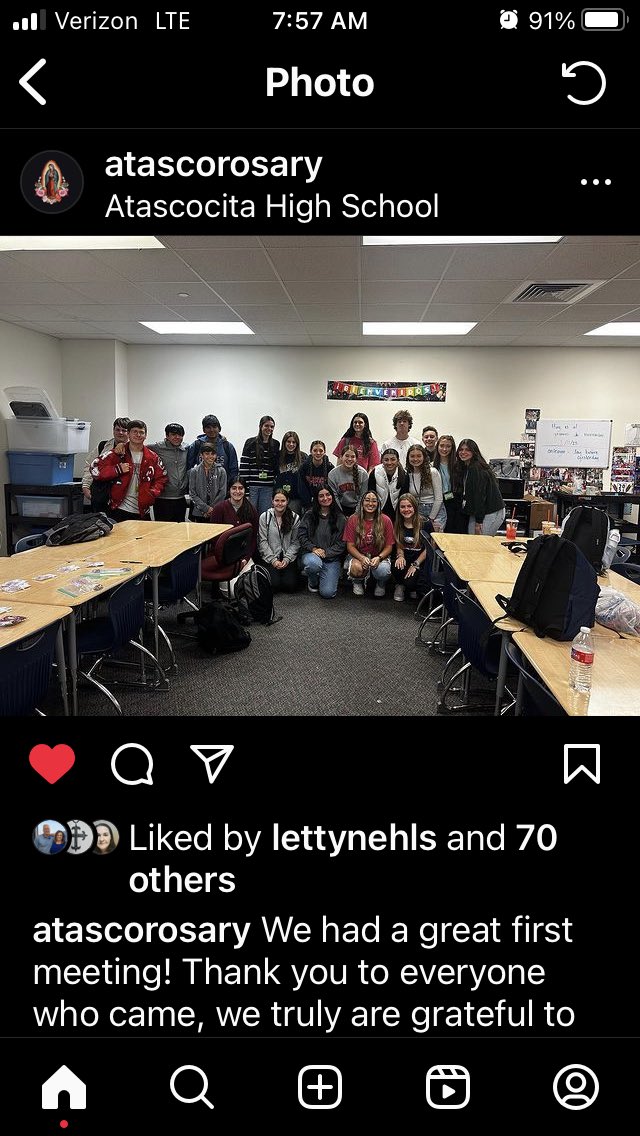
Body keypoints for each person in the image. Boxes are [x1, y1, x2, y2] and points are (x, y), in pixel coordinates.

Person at [91, 419, 167, 521]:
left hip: (142, 511)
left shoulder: (153, 457)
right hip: (118, 509)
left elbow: (162, 478)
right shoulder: (116, 453)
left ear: (145, 435)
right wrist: (116, 469)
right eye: (134, 431)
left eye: (141, 432)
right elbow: (94, 468)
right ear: (128, 434)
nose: (138, 435)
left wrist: (152, 493)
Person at [298, 487, 346, 598]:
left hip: (331, 558)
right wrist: (313, 548)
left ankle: (323, 573)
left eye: (328, 494)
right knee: (313, 564)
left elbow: (342, 543)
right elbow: (301, 536)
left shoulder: (341, 518)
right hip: (312, 554)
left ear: (332, 496)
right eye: (321, 496)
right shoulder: (309, 515)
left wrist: (325, 552)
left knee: (328, 593)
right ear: (316, 499)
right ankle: (313, 580)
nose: (325, 498)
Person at [343, 490, 394, 597]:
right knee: (356, 568)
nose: (370, 504)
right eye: (367, 500)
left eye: (374, 501)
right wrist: (361, 558)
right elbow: (350, 546)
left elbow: (389, 546)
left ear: (378, 504)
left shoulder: (386, 520)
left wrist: (379, 558)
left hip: (379, 556)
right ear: (362, 503)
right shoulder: (353, 519)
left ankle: (380, 583)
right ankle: (357, 581)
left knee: (383, 571)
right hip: (359, 556)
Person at [456, 438, 506, 535]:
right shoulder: (467, 467)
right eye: (461, 449)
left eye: (467, 450)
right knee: (472, 538)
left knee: (480, 541)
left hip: (490, 511)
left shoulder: (476, 468)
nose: (463, 452)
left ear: (474, 452)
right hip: (478, 511)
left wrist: (479, 522)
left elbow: (479, 496)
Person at [391, 493, 431, 602]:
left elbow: (429, 548)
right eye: (403, 507)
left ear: (415, 507)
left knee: (411, 582)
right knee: (397, 566)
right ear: (399, 509)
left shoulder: (425, 524)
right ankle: (399, 585)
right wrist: (400, 556)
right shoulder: (397, 523)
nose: (406, 509)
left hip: (419, 561)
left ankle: (411, 587)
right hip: (405, 558)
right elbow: (399, 543)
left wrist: (416, 564)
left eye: (409, 506)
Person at [82, 417, 130, 507]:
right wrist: (86, 486)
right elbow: (90, 466)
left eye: (124, 430)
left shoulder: (134, 450)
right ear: (113, 430)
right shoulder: (102, 446)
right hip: (101, 493)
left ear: (129, 432)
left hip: (124, 498)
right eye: (117, 430)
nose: (120, 433)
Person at [258, 490, 301, 593]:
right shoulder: (264, 517)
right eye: (277, 500)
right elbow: (262, 541)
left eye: (283, 501)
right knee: (274, 585)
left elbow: (296, 542)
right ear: (272, 501)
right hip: (271, 556)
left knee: (290, 586)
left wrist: (287, 558)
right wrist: (273, 560)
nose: (280, 503)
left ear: (287, 501)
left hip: (288, 556)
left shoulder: (295, 518)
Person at [210, 477, 259, 564]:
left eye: (240, 488)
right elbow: (214, 538)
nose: (237, 491)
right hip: (222, 557)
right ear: (229, 490)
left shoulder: (252, 510)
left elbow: (253, 538)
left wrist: (246, 558)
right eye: (234, 488)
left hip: (244, 556)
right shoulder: (219, 509)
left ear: (245, 490)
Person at [239, 415, 280, 515]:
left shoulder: (276, 444)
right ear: (260, 426)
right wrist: (246, 491)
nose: (269, 429)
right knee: (250, 515)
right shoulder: (250, 442)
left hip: (268, 487)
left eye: (272, 427)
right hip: (252, 487)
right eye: (266, 426)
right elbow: (244, 468)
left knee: (265, 516)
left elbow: (275, 467)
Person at [149, 423, 189, 521]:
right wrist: (121, 445)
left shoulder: (186, 448)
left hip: (180, 498)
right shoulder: (157, 447)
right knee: (162, 529)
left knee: (180, 528)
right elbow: (137, 446)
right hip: (162, 499)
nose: (177, 437)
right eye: (173, 434)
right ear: (167, 436)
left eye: (180, 435)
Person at [187, 415, 239, 481]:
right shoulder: (197, 445)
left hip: (223, 486)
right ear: (204, 430)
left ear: (219, 428)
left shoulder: (227, 446)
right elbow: (189, 468)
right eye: (208, 427)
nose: (211, 430)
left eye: (214, 427)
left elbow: (234, 470)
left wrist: (226, 484)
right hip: (201, 485)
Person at [405, 444, 445, 530]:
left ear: (424, 457)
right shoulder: (408, 474)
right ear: (408, 458)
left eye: (419, 456)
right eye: (412, 456)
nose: (415, 459)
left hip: (435, 511)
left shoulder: (432, 472)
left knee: (434, 538)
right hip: (418, 511)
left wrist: (431, 518)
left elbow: (439, 498)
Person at [433, 434, 466, 533]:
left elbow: (458, 490)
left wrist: (445, 497)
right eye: (442, 446)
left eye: (448, 446)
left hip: (453, 505)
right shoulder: (432, 465)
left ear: (452, 448)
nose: (444, 449)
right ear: (437, 446)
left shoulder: (458, 465)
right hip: (436, 505)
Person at [188, 442, 227, 521]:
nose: (210, 456)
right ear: (201, 455)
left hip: (216, 511)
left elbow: (222, 493)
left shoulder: (221, 471)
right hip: (199, 512)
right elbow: (192, 493)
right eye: (207, 453)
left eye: (213, 454)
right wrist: (206, 508)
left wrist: (211, 509)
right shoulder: (194, 471)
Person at [368, 448, 409, 521]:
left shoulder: (404, 475)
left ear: (398, 461)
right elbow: (371, 493)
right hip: (378, 512)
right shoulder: (375, 472)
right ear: (382, 461)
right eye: (386, 460)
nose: (389, 463)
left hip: (397, 513)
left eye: (393, 459)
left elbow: (404, 497)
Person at [273, 430, 308, 516]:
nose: (291, 444)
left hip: (295, 498)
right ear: (284, 442)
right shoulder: (277, 456)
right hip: (280, 497)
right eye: (288, 441)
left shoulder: (303, 457)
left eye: (294, 442)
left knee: (293, 521)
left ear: (297, 444)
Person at [328, 446, 368, 516]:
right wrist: (341, 514)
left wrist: (356, 514)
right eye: (346, 456)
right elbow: (335, 497)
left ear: (356, 459)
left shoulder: (363, 474)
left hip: (359, 508)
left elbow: (363, 496)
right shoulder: (332, 474)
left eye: (353, 457)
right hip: (340, 508)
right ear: (341, 457)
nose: (349, 459)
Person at [298, 440, 335, 510]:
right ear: (311, 451)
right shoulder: (304, 467)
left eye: (321, 451)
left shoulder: (330, 467)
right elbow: (302, 488)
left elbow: (332, 488)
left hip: (325, 502)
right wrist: (308, 504)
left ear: (324, 452)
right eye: (315, 450)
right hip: (308, 504)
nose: (318, 453)